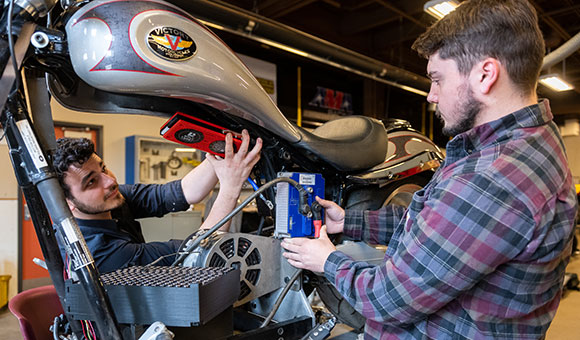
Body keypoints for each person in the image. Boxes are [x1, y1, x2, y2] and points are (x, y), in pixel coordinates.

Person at [281, 0, 578, 338]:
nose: (431, 96)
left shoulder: (494, 176)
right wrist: (349, 221)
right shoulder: (522, 143)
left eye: (437, 79)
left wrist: (327, 260)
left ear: (485, 75)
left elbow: (387, 299)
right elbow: (433, 226)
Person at [53, 130, 261, 273]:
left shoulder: (113, 199)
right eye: (91, 181)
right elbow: (194, 254)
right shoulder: (96, 250)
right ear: (67, 203)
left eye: (103, 168)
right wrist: (231, 188)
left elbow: (178, 193)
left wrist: (220, 150)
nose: (110, 181)